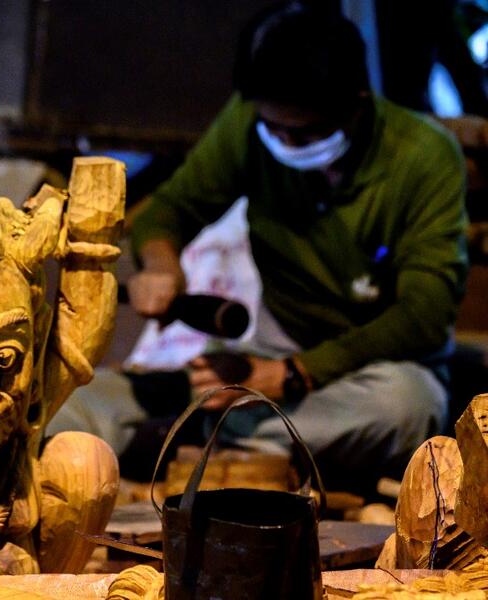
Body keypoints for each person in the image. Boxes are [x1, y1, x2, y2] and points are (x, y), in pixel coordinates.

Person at [128, 3, 469, 492]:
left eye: (306, 132)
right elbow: (171, 210)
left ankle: (215, 434)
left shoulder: (426, 155)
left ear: (358, 101)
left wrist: (295, 374)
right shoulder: (250, 121)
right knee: (103, 397)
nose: (285, 141)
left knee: (405, 407)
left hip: (379, 365)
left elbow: (425, 314)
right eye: (273, 128)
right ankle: (244, 433)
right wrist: (160, 266)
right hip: (274, 345)